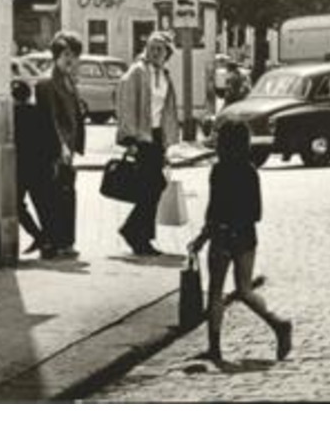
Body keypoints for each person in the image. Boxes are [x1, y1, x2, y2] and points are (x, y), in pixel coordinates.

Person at [189, 121, 293, 364]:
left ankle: (214, 348)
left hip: (222, 236)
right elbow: (256, 212)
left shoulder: (218, 171)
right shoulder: (250, 171)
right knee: (244, 290)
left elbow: (213, 209)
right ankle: (278, 323)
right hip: (245, 235)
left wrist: (204, 236)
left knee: (215, 292)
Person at [114, 30, 181, 256]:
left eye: (159, 49)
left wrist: (168, 140)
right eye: (151, 47)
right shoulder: (137, 72)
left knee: (154, 186)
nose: (154, 52)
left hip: (156, 137)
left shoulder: (165, 75)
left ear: (167, 53)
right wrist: (129, 139)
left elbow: (167, 110)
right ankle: (137, 235)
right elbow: (125, 104)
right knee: (151, 187)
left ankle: (138, 234)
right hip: (141, 136)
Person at [36, 31, 86, 259]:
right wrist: (61, 147)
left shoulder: (68, 81)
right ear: (56, 55)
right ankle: (54, 242)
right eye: (66, 54)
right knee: (54, 197)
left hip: (68, 149)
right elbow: (51, 118)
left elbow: (74, 115)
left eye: (74, 55)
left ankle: (66, 241)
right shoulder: (47, 83)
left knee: (68, 195)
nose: (70, 59)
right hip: (54, 150)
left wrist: (74, 145)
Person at [12, 79, 54, 256]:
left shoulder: (12, 116)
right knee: (44, 205)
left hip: (21, 167)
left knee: (17, 206)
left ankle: (39, 236)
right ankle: (48, 242)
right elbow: (50, 140)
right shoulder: (40, 113)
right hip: (40, 166)